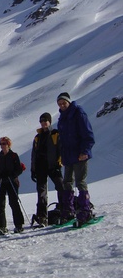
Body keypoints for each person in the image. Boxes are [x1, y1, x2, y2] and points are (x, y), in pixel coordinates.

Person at [56, 92, 95, 226]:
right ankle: (69, 211)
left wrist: (85, 151)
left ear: (68, 102)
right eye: (60, 104)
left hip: (80, 154)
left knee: (80, 182)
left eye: (64, 103)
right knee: (67, 182)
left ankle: (85, 210)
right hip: (68, 156)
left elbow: (88, 134)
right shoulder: (62, 117)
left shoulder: (78, 113)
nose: (62, 105)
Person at [30, 112, 64, 227]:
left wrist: (59, 163)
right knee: (41, 193)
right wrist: (33, 169)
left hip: (53, 166)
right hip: (40, 167)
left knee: (61, 187)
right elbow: (34, 154)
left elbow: (60, 148)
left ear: (49, 121)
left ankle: (65, 211)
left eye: (45, 121)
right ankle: (42, 217)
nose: (43, 123)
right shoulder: (37, 137)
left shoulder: (55, 134)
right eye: (42, 121)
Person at [0, 136, 25, 234]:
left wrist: (12, 175)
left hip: (11, 181)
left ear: (8, 144)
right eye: (1, 144)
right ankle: (1, 226)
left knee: (14, 202)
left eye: (4, 143)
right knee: (0, 204)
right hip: (0, 181)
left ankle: (19, 225)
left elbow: (19, 168)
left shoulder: (14, 155)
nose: (2, 146)